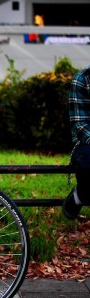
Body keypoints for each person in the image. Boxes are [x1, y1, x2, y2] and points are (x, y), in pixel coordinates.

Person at [62, 65, 90, 220]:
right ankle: (79, 195)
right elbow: (79, 124)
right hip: (85, 142)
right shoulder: (82, 79)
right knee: (87, 161)